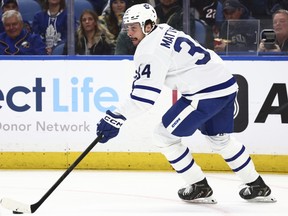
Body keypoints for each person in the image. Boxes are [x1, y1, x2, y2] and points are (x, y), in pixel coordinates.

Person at [96, 3, 276, 203]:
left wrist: (115, 117)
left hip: (205, 93)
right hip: (225, 83)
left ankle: (198, 185)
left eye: (133, 27)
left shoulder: (148, 50)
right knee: (220, 140)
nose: (129, 32)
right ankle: (256, 184)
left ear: (148, 26)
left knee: (162, 136)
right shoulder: (163, 28)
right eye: (127, 27)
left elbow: (143, 98)